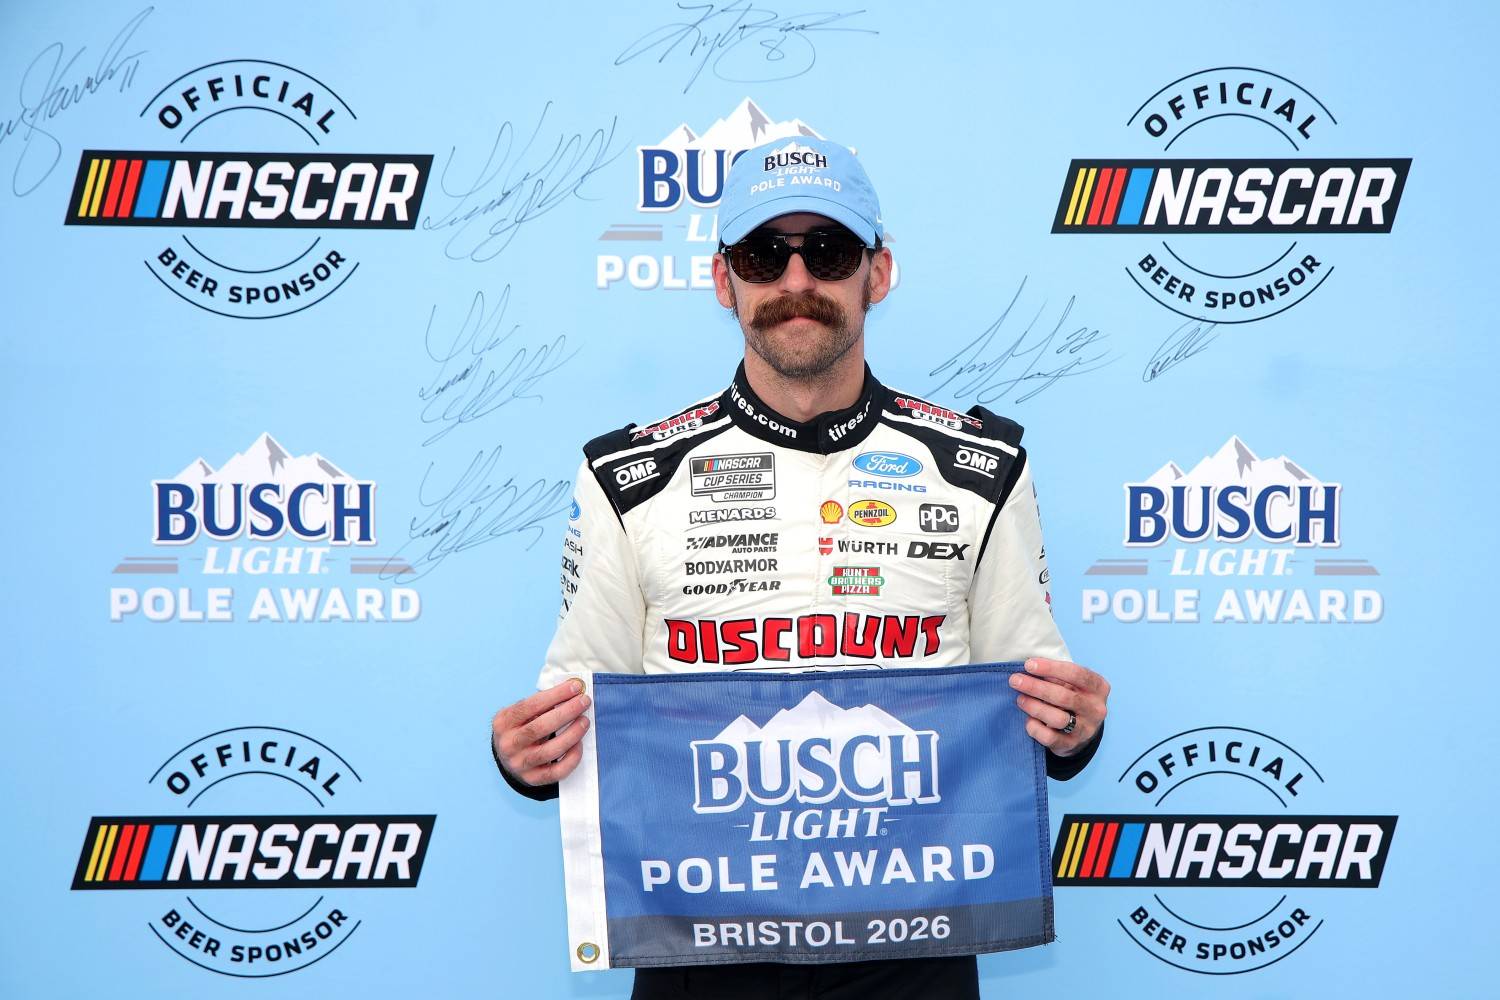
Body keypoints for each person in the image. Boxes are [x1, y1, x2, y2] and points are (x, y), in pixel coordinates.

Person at [491, 136, 1112, 999]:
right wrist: (523, 754)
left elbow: (1039, 705)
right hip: (702, 956)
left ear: (877, 273)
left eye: (827, 251)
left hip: (915, 954)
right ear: (723, 281)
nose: (795, 282)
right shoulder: (626, 479)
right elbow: (576, 714)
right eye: (762, 254)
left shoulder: (981, 467)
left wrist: (1075, 728)